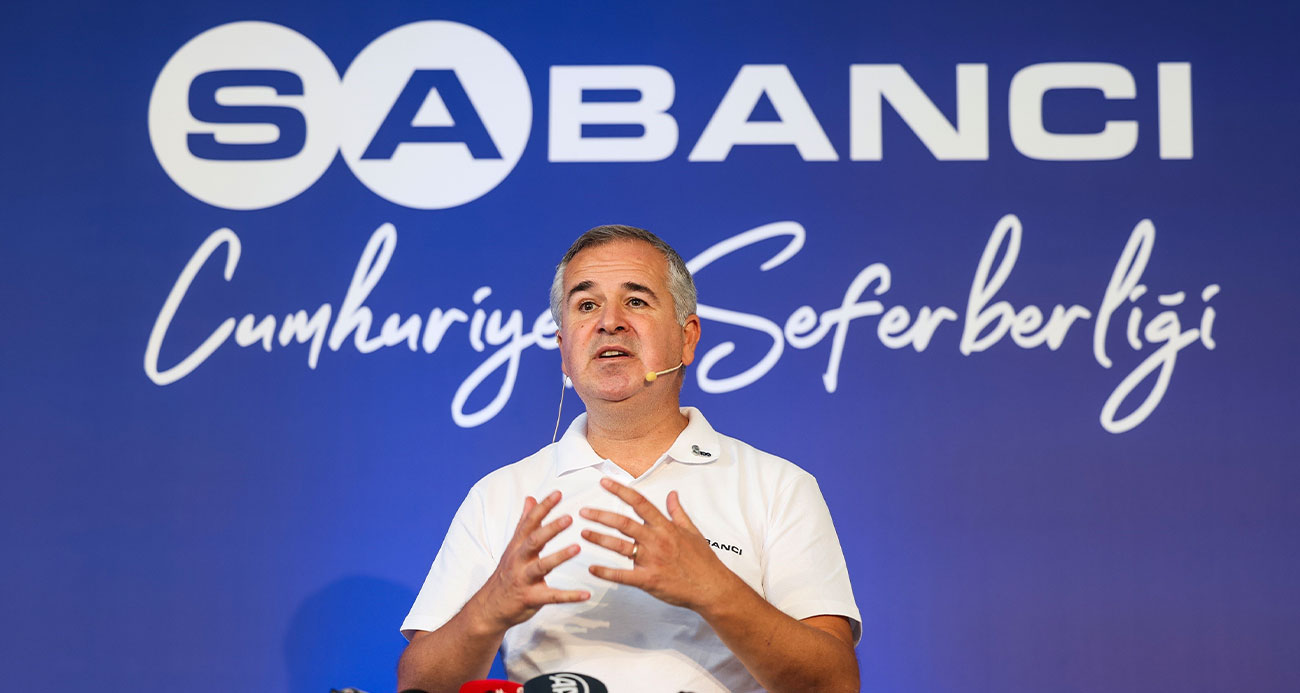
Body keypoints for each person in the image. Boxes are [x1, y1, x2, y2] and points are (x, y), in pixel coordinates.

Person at [397, 225, 860, 692]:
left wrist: (717, 591)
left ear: (687, 338)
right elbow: (417, 684)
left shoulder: (777, 487)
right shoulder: (500, 496)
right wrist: (489, 608)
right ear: (564, 351)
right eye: (586, 305)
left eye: (636, 301)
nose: (609, 322)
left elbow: (836, 683)